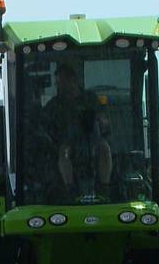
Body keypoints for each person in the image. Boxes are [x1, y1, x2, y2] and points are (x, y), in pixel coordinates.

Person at [45, 63, 113, 195]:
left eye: (62, 82)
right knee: (64, 152)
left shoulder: (90, 98)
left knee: (105, 148)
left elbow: (105, 121)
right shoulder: (55, 104)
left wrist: (100, 121)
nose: (59, 86)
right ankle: (69, 187)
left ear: (73, 80)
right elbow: (44, 124)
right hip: (68, 142)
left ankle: (105, 186)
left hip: (94, 139)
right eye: (57, 83)